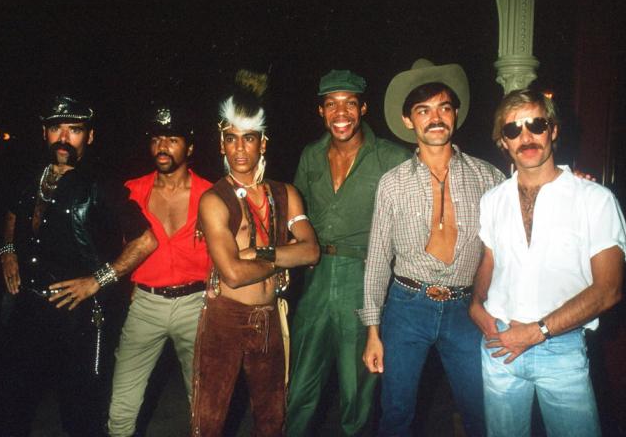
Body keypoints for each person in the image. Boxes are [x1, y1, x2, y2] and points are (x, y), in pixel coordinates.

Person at [0, 95, 157, 437]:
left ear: (89, 137)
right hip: (27, 308)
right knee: (8, 409)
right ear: (44, 133)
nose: (63, 137)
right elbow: (13, 213)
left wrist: (97, 281)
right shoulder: (30, 177)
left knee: (80, 417)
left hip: (78, 318)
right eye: (55, 128)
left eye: (74, 130)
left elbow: (146, 241)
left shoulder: (100, 186)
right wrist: (7, 250)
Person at [469, 89, 626, 437]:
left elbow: (609, 289)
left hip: (561, 349)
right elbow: (490, 260)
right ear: (502, 142)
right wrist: (476, 303)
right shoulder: (492, 200)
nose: (525, 137)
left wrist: (537, 331)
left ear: (553, 130)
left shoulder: (595, 200)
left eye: (536, 125)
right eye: (513, 130)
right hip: (498, 343)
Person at [359, 59, 506, 436]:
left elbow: (512, 243)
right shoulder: (392, 184)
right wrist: (373, 331)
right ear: (409, 121)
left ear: (455, 114)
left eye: (443, 107)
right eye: (423, 110)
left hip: (466, 309)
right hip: (407, 308)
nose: (435, 117)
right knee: (396, 414)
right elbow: (377, 259)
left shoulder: (489, 177)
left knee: (481, 411)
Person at [191, 70, 320, 437]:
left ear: (263, 143)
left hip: (270, 318)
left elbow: (310, 251)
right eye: (231, 140)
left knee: (271, 418)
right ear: (221, 145)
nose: (240, 148)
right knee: (209, 420)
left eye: (249, 139)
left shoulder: (286, 193)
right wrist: (282, 256)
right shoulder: (214, 200)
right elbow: (231, 273)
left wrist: (256, 253)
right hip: (225, 317)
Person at [287, 69, 411, 436]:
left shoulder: (392, 157)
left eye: (349, 103)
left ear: (363, 108)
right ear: (321, 112)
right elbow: (295, 217)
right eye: (331, 104)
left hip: (364, 277)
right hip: (315, 275)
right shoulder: (310, 156)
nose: (340, 112)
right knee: (299, 385)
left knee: (357, 391)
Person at [107, 106, 212, 436]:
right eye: (156, 139)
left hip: (196, 304)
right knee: (122, 404)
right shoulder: (131, 190)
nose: (162, 146)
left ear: (189, 148)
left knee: (205, 401)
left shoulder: (212, 194)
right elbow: (117, 245)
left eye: (172, 139)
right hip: (145, 306)